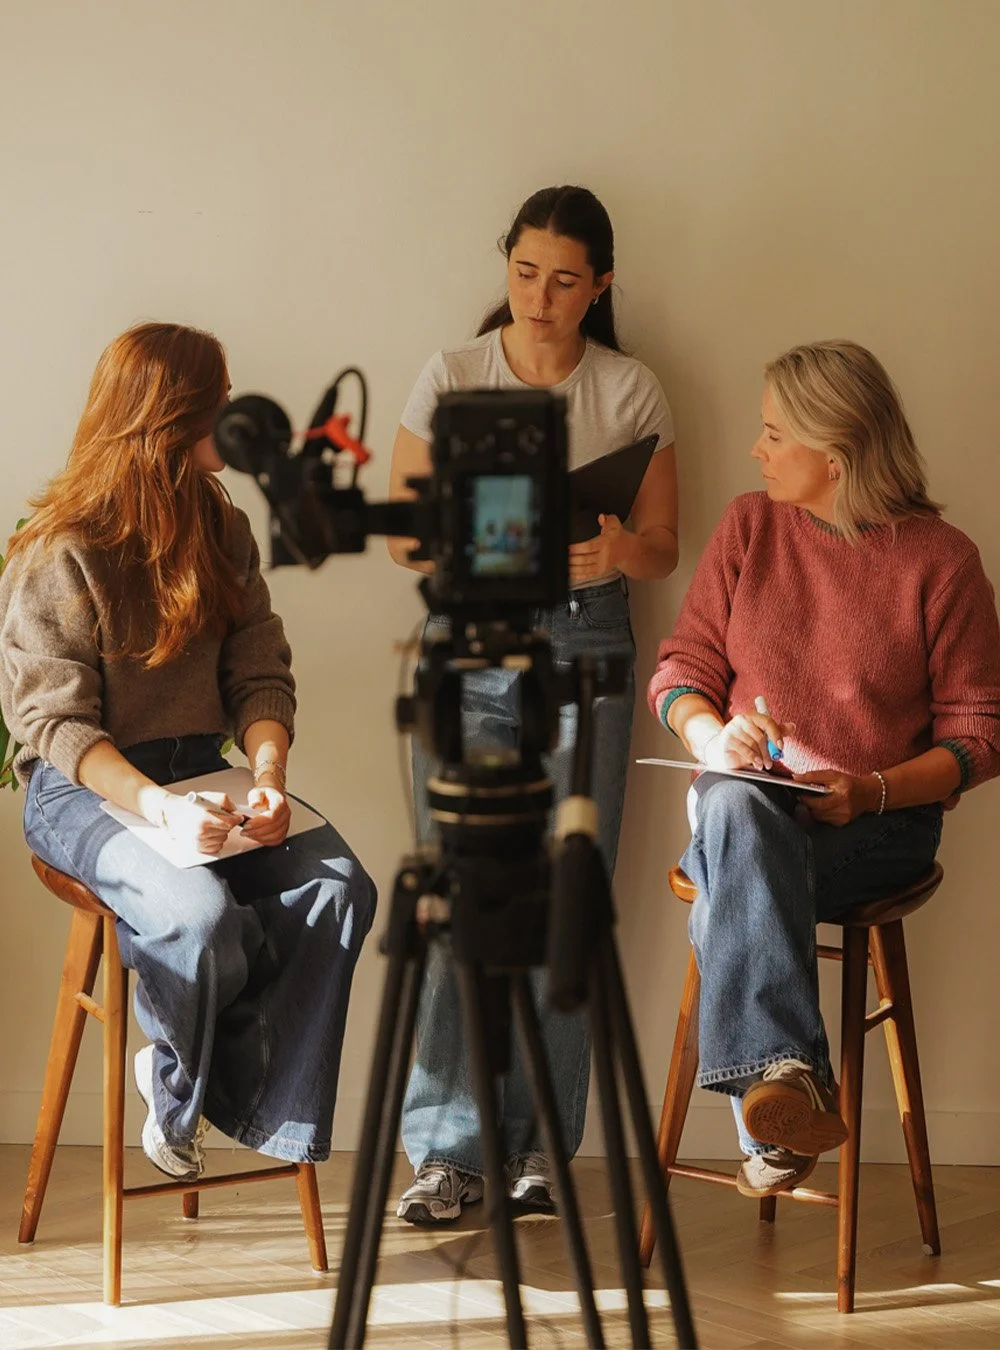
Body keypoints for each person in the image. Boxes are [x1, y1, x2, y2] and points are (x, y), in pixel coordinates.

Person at [0, 322, 376, 1180]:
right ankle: (181, 1080)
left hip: (204, 773)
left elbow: (260, 671)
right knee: (199, 918)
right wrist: (161, 806)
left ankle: (191, 1085)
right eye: (220, 398)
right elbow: (57, 729)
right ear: (168, 418)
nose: (236, 412)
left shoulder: (221, 526)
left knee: (340, 889)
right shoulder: (58, 549)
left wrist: (270, 777)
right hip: (82, 791)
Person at [387, 185, 679, 1222]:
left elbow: (662, 547)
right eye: (523, 273)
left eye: (564, 281)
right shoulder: (452, 375)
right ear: (503, 261)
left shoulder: (631, 388)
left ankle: (541, 1150)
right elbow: (405, 539)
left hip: (588, 638)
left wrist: (614, 550)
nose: (540, 298)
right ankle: (449, 1151)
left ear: (599, 284)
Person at [648, 339, 1000, 1197]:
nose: (756, 451)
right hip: (751, 810)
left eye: (774, 435)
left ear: (833, 458)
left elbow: (982, 735)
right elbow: (680, 669)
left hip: (880, 827)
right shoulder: (747, 526)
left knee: (735, 864)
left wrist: (872, 789)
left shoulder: (941, 562)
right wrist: (710, 736)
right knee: (734, 808)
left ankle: (782, 1112)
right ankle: (789, 1088)